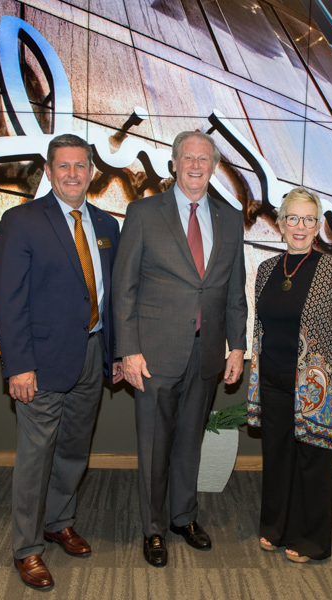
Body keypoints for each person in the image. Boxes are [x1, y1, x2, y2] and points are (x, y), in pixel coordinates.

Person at [0, 133, 122, 590]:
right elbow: (8, 301)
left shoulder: (107, 225)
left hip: (92, 353)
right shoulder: (21, 222)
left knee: (73, 449)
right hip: (41, 362)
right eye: (63, 166)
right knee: (35, 456)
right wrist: (18, 365)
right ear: (48, 172)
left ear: (92, 171)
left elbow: (113, 299)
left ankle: (58, 520)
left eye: (80, 166)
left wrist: (117, 353)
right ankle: (26, 548)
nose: (72, 174)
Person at [112, 130, 247, 567]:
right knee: (154, 445)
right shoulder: (144, 213)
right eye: (187, 157)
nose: (195, 165)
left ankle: (183, 517)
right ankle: (152, 529)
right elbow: (124, 288)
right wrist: (128, 350)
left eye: (203, 159)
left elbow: (233, 291)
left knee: (190, 440)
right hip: (153, 354)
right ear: (173, 164)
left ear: (213, 166)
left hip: (207, 352)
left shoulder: (230, 219)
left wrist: (237, 346)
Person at [246, 187, 332, 563]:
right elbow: (260, 328)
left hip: (317, 387)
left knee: (312, 464)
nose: (300, 226)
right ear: (280, 225)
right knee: (277, 456)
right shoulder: (266, 269)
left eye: (308, 220)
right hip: (272, 381)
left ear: (318, 227)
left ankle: (312, 540)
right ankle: (275, 527)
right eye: (292, 218)